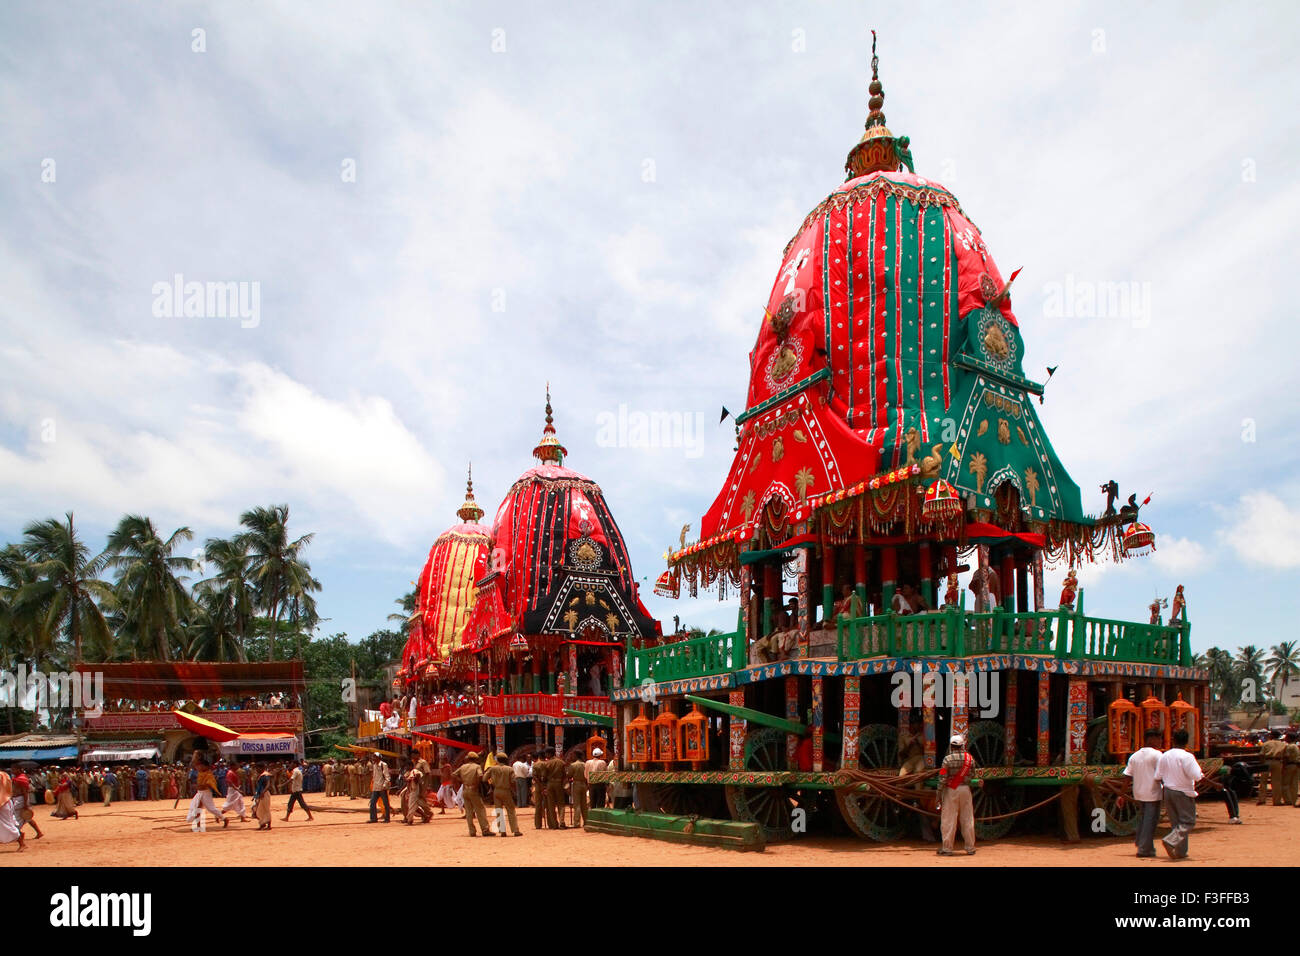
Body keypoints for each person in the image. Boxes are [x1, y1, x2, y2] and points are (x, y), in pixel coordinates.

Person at [1154, 728, 1203, 859]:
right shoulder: (1187, 756)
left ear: (1173, 740)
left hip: (1168, 790)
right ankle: (1170, 841)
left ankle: (1181, 852)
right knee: (1188, 822)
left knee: (1177, 823)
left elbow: (1158, 775)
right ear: (1186, 741)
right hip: (1183, 791)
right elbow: (1196, 775)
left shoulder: (1164, 756)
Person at [1123, 728, 1165, 857]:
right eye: (1159, 739)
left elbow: (1127, 777)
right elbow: (1162, 775)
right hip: (1152, 793)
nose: (1160, 742)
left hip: (1139, 792)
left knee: (1143, 819)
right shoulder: (1157, 755)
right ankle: (1144, 848)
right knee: (1150, 821)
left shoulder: (1134, 755)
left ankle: (1141, 842)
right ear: (1152, 739)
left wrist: (1121, 794)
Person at [936, 733, 977, 856]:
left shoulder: (947, 759)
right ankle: (970, 848)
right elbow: (973, 774)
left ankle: (947, 848)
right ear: (962, 745)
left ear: (951, 746)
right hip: (965, 789)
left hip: (951, 790)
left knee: (949, 820)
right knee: (967, 819)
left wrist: (938, 795)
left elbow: (942, 778)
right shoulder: (970, 759)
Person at [484, 752, 522, 837]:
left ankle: (502, 831)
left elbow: (484, 778)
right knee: (511, 810)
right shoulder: (509, 769)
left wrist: (492, 784)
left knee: (499, 811)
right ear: (505, 760)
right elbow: (513, 781)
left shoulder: (492, 769)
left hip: (496, 791)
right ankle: (515, 830)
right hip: (506, 791)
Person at [455, 753, 492, 837]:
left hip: (465, 789)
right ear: (475, 759)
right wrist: (476, 784)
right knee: (480, 810)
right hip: (473, 790)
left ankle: (472, 831)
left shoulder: (463, 767)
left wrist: (462, 781)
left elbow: (454, 775)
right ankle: (485, 829)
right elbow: (480, 776)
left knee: (468, 811)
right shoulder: (477, 766)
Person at [186, 752, 223, 832]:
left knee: (211, 809)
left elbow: (208, 785)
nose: (198, 767)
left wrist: (196, 786)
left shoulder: (209, 775)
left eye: (200, 766)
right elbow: (194, 764)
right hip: (200, 793)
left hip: (206, 793)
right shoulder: (200, 773)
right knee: (197, 809)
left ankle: (224, 818)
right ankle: (198, 826)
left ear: (205, 766)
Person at [11, 770, 43, 841]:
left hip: (20, 799)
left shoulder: (21, 779)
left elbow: (25, 792)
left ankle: (18, 835)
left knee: (16, 818)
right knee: (27, 818)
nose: (12, 771)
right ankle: (39, 832)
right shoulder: (18, 778)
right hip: (18, 799)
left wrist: (25, 803)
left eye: (14, 769)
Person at [1257, 731, 1286, 806]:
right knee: (1276, 782)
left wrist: (1262, 762)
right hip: (1278, 761)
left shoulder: (1267, 743)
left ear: (1271, 736)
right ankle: (1277, 801)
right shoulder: (1283, 744)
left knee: (1263, 781)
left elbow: (1261, 754)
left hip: (1267, 761)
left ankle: (1262, 800)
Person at [0, 770, 25, 852]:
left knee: (7, 824)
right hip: (5, 802)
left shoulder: (1, 775)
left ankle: (21, 843)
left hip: (2, 803)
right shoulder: (4, 775)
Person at [566, 753, 589, 828]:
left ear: (576, 756)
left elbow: (569, 775)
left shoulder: (573, 765)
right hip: (584, 784)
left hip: (576, 784)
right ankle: (586, 821)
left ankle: (577, 822)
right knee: (584, 804)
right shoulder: (585, 764)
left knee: (577, 804)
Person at [367, 753, 391, 823]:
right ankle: (373, 818)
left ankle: (387, 818)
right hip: (375, 787)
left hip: (382, 787)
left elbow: (387, 777)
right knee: (372, 803)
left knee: (385, 803)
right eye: (373, 757)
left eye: (375, 757)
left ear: (379, 758)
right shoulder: (374, 765)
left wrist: (384, 785)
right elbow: (374, 777)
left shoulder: (383, 765)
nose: (373, 758)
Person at [1281, 734, 1300, 808]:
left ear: (1289, 738)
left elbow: (1286, 757)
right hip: (1297, 765)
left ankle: (1288, 800)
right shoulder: (1296, 746)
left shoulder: (1289, 746)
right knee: (1294, 784)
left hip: (1290, 765)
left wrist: (1283, 766)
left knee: (1285, 783)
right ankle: (1293, 800)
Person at [253, 765, 273, 830]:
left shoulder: (265, 775)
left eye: (258, 768)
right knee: (260, 809)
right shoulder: (261, 775)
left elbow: (268, 784)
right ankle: (262, 823)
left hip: (265, 794)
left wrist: (263, 792)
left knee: (266, 809)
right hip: (260, 794)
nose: (257, 770)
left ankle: (269, 825)